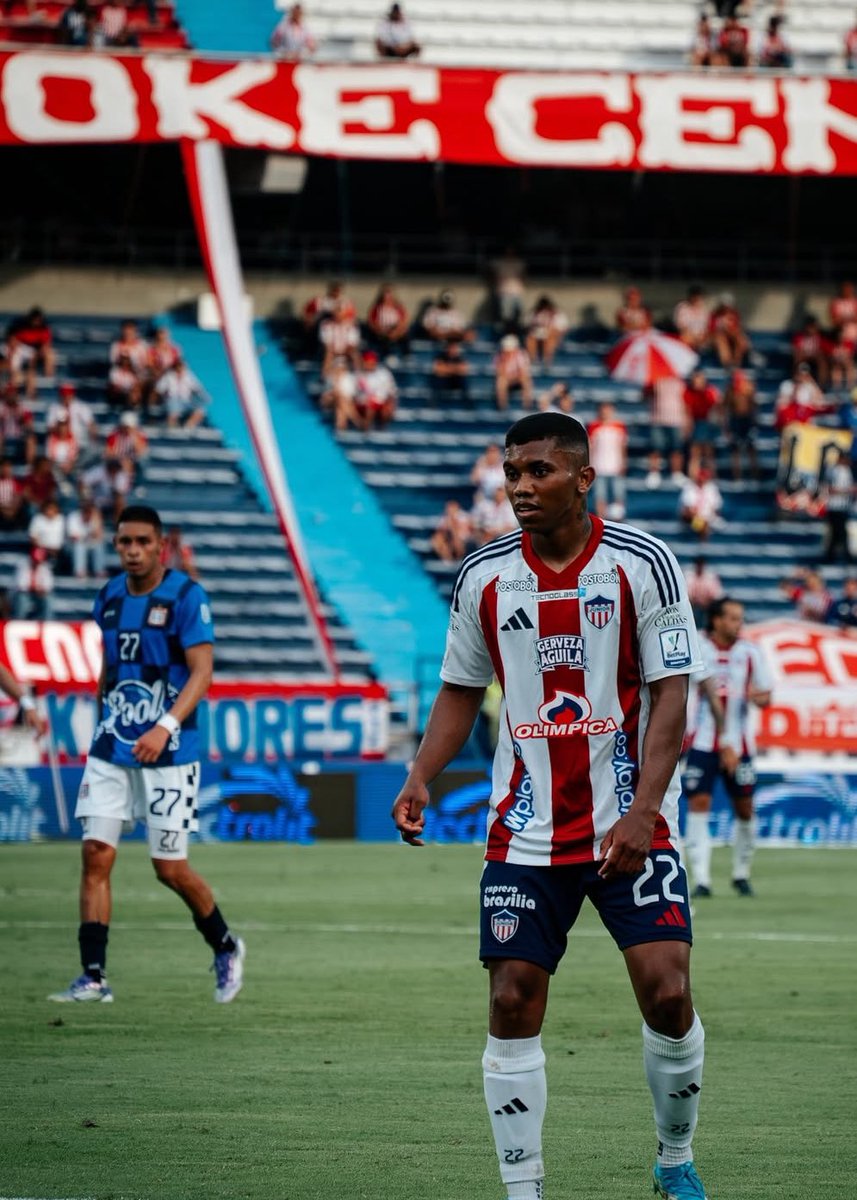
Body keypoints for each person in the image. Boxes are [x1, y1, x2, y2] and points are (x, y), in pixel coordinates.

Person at [392, 411, 711, 1200]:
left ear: (582, 477)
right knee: (509, 998)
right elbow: (459, 688)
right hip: (524, 829)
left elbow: (672, 694)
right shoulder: (483, 576)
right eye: (512, 472)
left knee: (668, 993)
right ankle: (523, 1190)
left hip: (628, 823)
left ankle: (674, 1158)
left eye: (538, 470)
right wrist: (421, 773)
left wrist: (643, 810)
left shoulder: (643, 563)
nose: (520, 486)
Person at [49, 505, 245, 1005]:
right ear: (115, 545)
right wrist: (102, 717)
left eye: (142, 542)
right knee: (95, 854)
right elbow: (110, 664)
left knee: (169, 868)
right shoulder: (109, 596)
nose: (133, 551)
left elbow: (202, 672)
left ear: (161, 546)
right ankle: (93, 976)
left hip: (171, 753)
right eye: (124, 542)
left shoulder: (185, 596)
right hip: (112, 747)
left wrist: (164, 726)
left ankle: (225, 944)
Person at [683, 597, 772, 899]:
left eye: (740, 618)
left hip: (742, 745)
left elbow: (765, 694)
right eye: (733, 618)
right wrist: (724, 742)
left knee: (744, 808)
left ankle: (741, 874)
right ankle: (702, 879)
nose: (738, 624)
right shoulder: (698, 645)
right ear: (717, 620)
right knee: (699, 804)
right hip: (704, 743)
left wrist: (760, 698)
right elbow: (708, 694)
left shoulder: (750, 651)